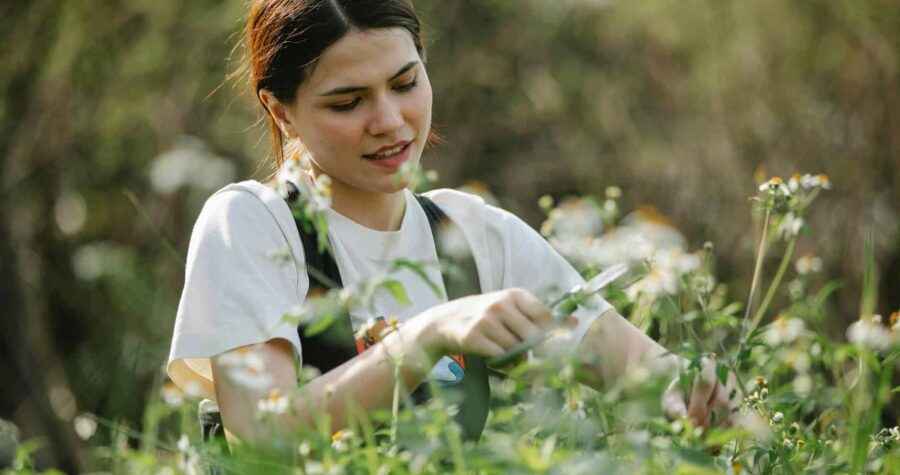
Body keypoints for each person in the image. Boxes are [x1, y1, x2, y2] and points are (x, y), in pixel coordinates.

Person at [166, 0, 737, 449]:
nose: (389, 122)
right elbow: (266, 440)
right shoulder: (253, 226)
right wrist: (429, 335)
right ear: (279, 109)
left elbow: (638, 369)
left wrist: (692, 390)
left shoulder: (471, 235)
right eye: (348, 103)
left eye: (405, 83)